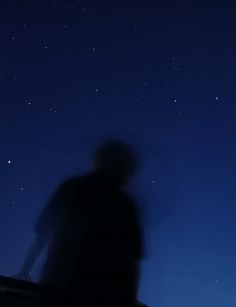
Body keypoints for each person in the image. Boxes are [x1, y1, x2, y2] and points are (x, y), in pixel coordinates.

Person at [15, 140, 144, 306]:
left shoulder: (72, 187)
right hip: (99, 292)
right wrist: (129, 298)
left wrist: (24, 270)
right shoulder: (124, 203)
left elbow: (43, 232)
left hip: (57, 282)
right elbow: (131, 260)